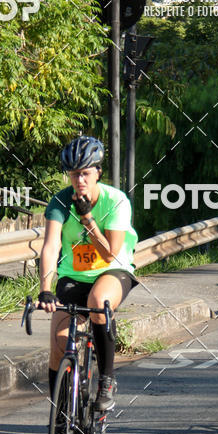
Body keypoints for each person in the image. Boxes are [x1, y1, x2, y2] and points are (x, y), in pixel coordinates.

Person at [37, 136, 138, 412]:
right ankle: (60, 419)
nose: (79, 180)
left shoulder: (115, 201)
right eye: (74, 174)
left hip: (112, 270)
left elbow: (109, 253)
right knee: (59, 343)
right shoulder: (60, 202)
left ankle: (106, 380)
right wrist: (45, 289)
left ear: (98, 173)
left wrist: (87, 219)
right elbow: (51, 246)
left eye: (85, 173)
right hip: (74, 275)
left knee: (98, 302)